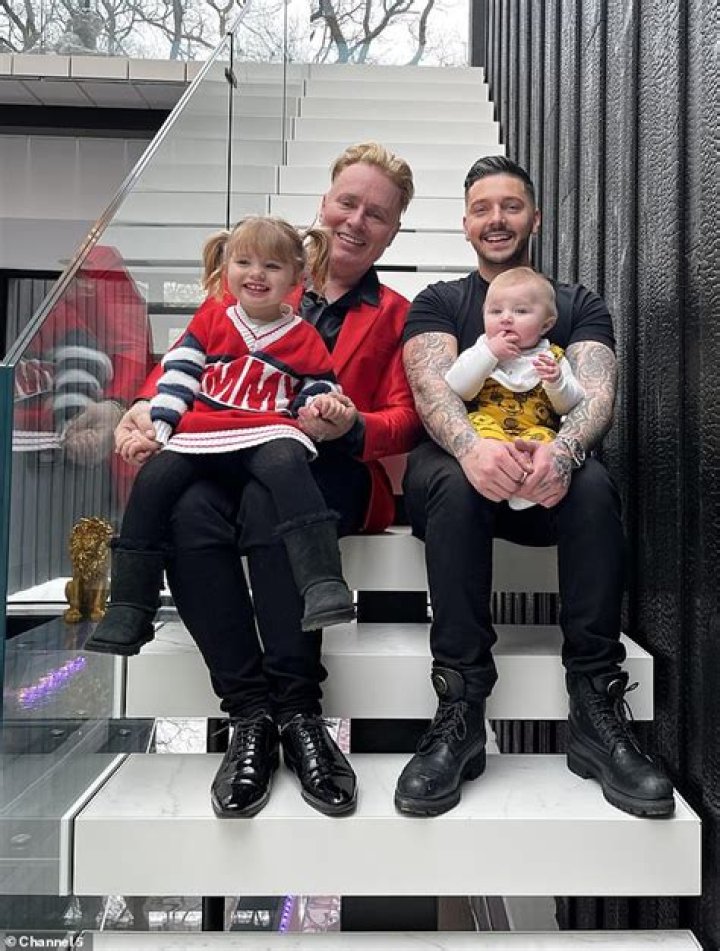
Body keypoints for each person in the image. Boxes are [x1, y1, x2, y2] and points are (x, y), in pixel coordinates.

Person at [111, 143, 422, 818]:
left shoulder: (399, 315)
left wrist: (351, 425)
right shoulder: (252, 281)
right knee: (189, 511)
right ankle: (250, 713)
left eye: (376, 213)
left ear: (393, 231)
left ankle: (299, 711)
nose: (355, 220)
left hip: (329, 468)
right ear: (324, 203)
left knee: (266, 501)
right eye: (347, 202)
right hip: (225, 448)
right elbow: (187, 363)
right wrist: (143, 407)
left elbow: (406, 418)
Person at [395, 155, 674, 819]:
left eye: (511, 206)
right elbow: (433, 391)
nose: (497, 219)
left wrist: (564, 452)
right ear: (466, 224)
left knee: (594, 483)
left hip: (546, 474)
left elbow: (596, 394)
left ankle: (595, 706)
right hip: (458, 476)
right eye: (482, 208)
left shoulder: (576, 305)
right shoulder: (440, 302)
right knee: (453, 480)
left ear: (535, 218)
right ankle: (460, 707)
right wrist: (473, 449)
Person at [84, 217, 356, 658]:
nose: (256, 274)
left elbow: (319, 383)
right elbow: (179, 376)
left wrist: (321, 404)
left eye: (272, 266)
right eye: (244, 262)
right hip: (204, 429)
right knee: (154, 480)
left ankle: (322, 581)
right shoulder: (212, 318)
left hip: (268, 427)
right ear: (225, 267)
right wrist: (160, 432)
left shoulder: (303, 335)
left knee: (288, 466)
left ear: (296, 277)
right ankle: (130, 603)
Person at [445, 266, 584, 510]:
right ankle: (497, 478)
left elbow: (570, 404)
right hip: (489, 431)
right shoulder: (481, 350)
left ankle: (525, 489)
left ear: (546, 325)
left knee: (545, 439)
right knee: (477, 424)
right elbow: (457, 387)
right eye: (495, 311)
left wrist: (556, 382)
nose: (506, 318)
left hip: (532, 431)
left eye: (520, 311)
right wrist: (490, 355)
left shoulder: (552, 358)